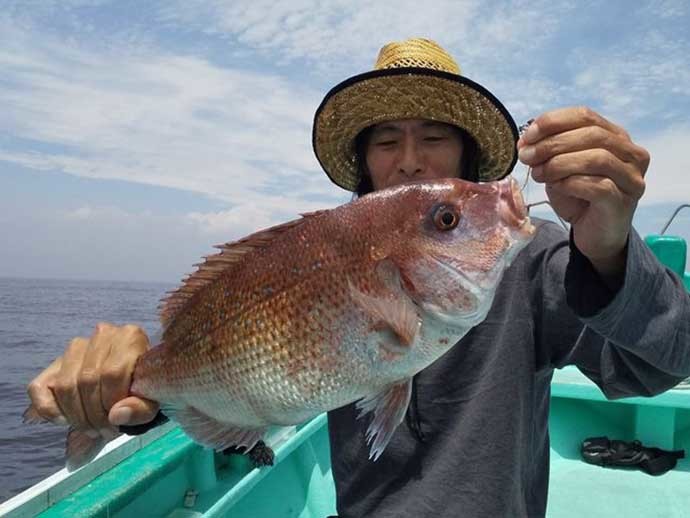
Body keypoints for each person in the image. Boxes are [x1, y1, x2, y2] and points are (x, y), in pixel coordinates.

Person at [26, 38, 690, 517]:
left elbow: (664, 365)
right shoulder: (313, 254)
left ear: (464, 153)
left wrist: (607, 252)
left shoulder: (537, 257)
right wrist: (132, 399)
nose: (408, 160)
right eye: (385, 141)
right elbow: (233, 377)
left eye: (434, 136)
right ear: (362, 161)